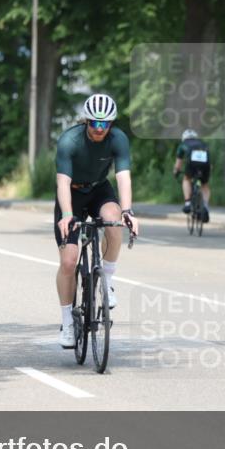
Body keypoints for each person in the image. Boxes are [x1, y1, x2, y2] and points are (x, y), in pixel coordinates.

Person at [55, 93, 139, 348]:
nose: (99, 129)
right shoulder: (69, 140)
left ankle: (108, 282)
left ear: (111, 125)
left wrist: (128, 211)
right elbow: (63, 183)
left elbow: (123, 177)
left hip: (99, 189)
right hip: (72, 195)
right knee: (69, 262)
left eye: (105, 124)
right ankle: (68, 322)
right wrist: (68, 216)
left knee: (115, 220)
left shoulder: (118, 139)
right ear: (86, 121)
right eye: (94, 123)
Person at [173, 129, 211, 223]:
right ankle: (205, 206)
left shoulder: (183, 145)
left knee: (186, 179)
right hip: (205, 165)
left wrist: (176, 172)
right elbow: (210, 161)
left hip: (192, 164)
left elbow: (178, 164)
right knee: (204, 185)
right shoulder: (203, 143)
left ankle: (188, 202)